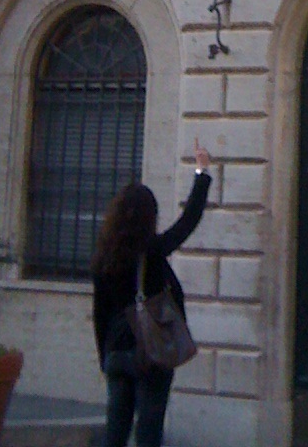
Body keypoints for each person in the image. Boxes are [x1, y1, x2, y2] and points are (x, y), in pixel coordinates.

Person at [91, 144, 212, 447]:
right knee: (149, 428)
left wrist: (105, 356)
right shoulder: (153, 252)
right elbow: (188, 222)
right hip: (151, 351)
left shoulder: (104, 258)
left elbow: (99, 313)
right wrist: (202, 172)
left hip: (117, 351)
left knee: (115, 430)